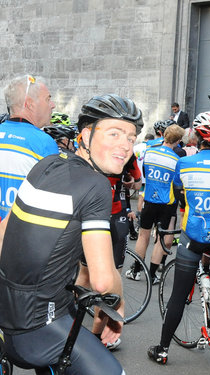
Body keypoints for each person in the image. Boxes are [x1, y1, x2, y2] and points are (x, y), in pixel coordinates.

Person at [0, 93, 143, 374]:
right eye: (114, 133)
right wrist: (120, 304)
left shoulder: (45, 164)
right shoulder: (96, 186)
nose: (125, 146)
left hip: (9, 316)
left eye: (131, 137)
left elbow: (5, 234)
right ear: (86, 135)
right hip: (41, 329)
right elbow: (102, 282)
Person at [148, 111, 210, 365]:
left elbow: (179, 192)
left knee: (178, 295)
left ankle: (163, 349)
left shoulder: (186, 163)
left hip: (194, 234)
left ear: (197, 136)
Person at [126, 124, 185, 284]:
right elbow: (178, 184)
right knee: (160, 238)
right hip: (167, 203)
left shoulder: (149, 152)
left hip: (150, 199)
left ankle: (136, 270)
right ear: (178, 141)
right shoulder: (177, 160)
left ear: (164, 135)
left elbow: (145, 173)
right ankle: (152, 275)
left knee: (143, 236)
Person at [0, 75, 58, 220]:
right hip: (22, 234)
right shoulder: (43, 142)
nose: (53, 105)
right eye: (48, 99)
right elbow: (54, 201)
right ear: (30, 104)